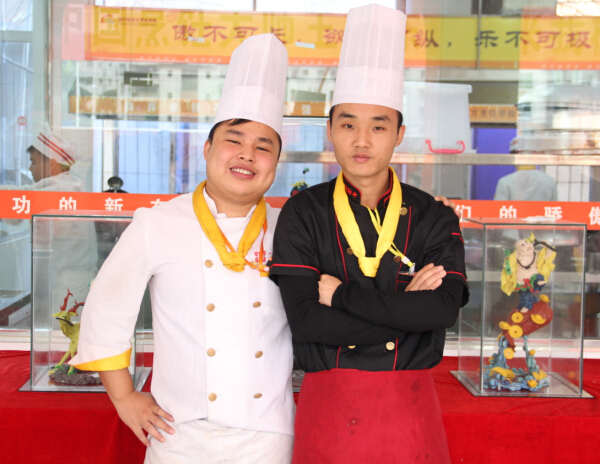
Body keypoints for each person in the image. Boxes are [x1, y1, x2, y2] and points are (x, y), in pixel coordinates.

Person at [70, 34, 295, 464]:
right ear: (208, 148)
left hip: (268, 436)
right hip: (178, 433)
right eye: (234, 140)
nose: (247, 154)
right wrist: (123, 397)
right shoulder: (157, 222)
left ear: (275, 163)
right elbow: (106, 305)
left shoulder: (292, 229)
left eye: (263, 146)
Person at [268, 5, 469, 463]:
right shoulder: (303, 212)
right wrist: (408, 314)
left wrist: (341, 297)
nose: (362, 140)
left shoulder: (434, 215)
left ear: (399, 133)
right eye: (348, 125)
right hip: (329, 412)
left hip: (411, 413)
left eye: (378, 126)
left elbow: (441, 309)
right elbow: (306, 321)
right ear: (330, 130)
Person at [0, 127, 82, 191]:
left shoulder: (57, 188)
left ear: (51, 165)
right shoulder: (66, 184)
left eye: (34, 162)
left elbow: (25, 193)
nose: (30, 169)